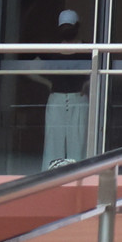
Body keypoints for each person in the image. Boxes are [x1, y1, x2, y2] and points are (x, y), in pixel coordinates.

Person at [39, 9, 90, 169]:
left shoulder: (88, 50)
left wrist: (88, 83)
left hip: (77, 98)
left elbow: (100, 70)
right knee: (54, 142)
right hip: (59, 98)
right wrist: (47, 83)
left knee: (79, 142)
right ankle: (51, 175)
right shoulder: (52, 50)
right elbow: (27, 67)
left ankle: (79, 174)